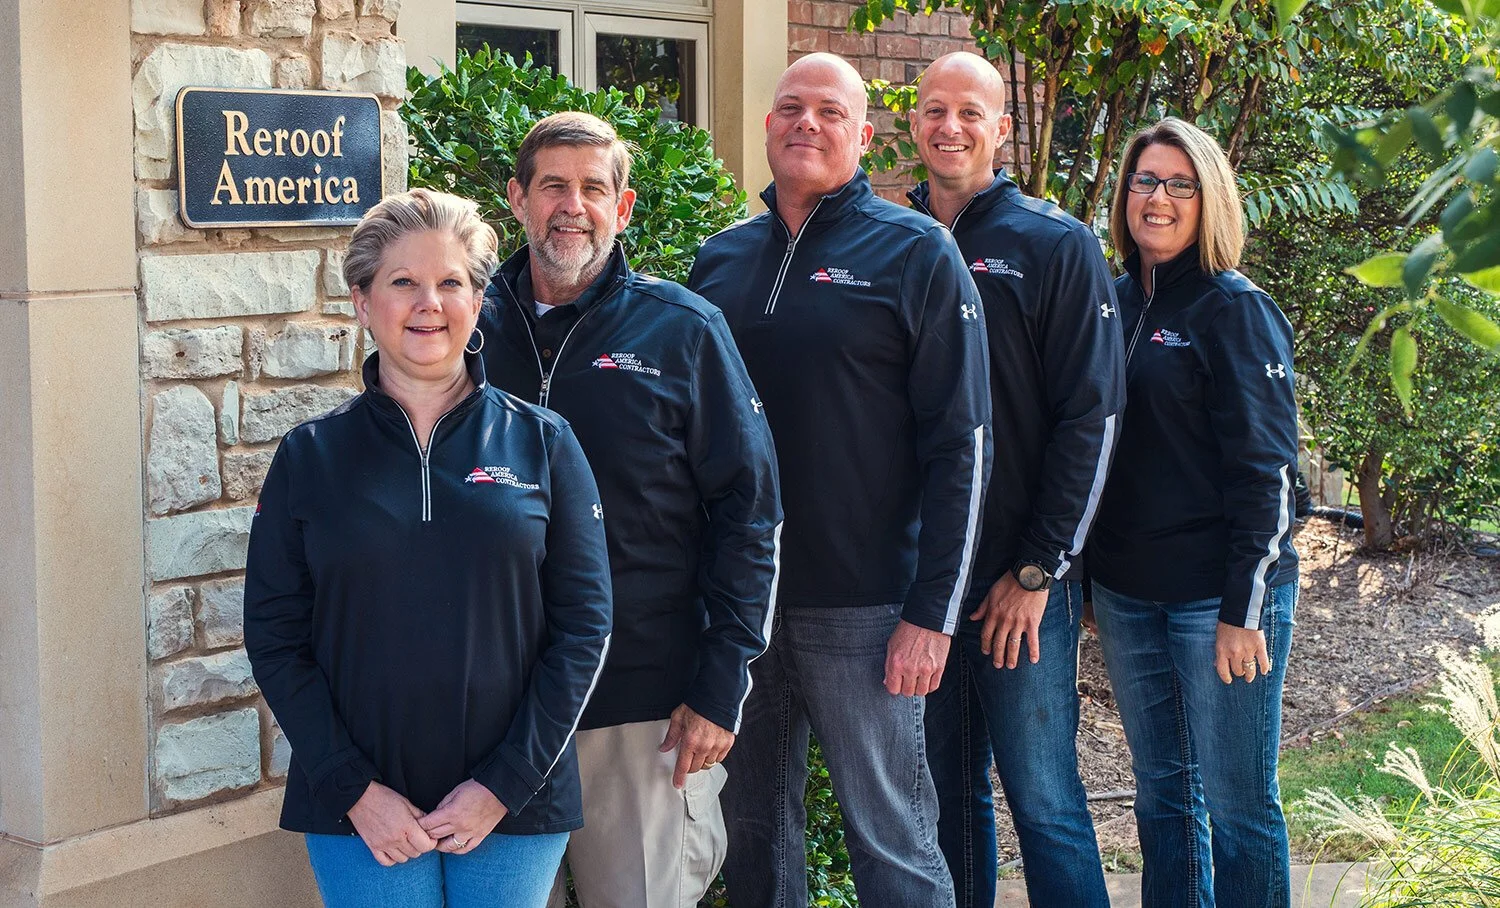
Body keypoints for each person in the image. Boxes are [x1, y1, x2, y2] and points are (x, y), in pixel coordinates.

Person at [244, 188, 613, 908]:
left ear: (479, 302)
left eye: (451, 283)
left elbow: (585, 629)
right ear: (361, 300)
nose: (428, 304)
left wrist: (502, 785)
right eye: (402, 282)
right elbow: (274, 635)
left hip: (514, 803)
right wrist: (353, 789)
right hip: (360, 806)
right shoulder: (310, 457)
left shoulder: (543, 443)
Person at [688, 52, 991, 908]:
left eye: (830, 111)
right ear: (769, 125)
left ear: (863, 134)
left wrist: (931, 614)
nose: (806, 124)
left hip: (866, 609)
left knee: (892, 842)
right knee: (755, 840)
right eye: (791, 108)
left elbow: (962, 446)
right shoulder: (719, 263)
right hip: (741, 605)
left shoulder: (916, 251)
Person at [478, 111, 782, 908]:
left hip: (643, 706)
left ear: (625, 206)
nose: (571, 206)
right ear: (517, 198)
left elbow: (751, 516)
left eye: (592, 188)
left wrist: (722, 685)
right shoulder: (466, 329)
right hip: (495, 708)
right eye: (552, 186)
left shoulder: (684, 331)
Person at [907, 52, 1123, 908]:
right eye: (933, 110)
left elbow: (1093, 420)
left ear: (1003, 129)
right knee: (944, 801)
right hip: (925, 584)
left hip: (1019, 582)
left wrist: (1037, 571)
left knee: (1044, 801)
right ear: (911, 125)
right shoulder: (894, 241)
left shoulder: (1054, 243)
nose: (949, 127)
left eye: (970, 112)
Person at [1088, 117, 1300, 907]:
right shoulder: (1111, 304)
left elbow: (1269, 473)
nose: (1161, 198)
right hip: (1128, 594)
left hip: (1221, 598)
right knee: (1163, 798)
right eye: (1146, 180)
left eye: (1181, 184)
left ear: (1209, 198)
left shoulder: (1235, 310)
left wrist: (1244, 608)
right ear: (1125, 195)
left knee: (1241, 807)